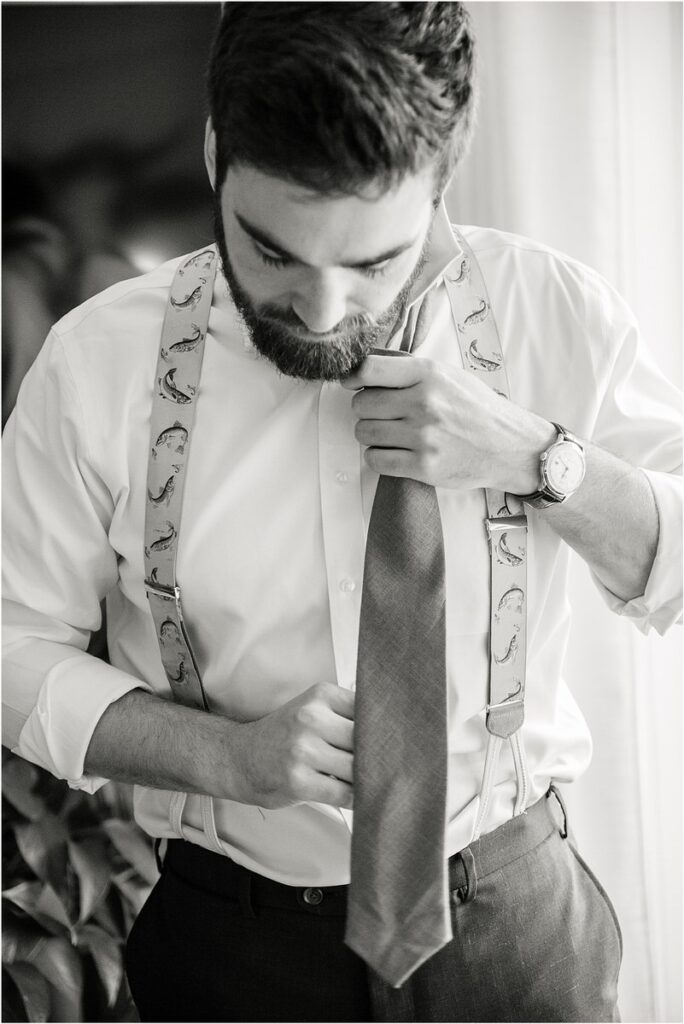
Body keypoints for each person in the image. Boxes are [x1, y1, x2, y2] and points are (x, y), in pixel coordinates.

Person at [2, 3, 681, 1022]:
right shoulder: (100, 364)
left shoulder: (557, 313)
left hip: (521, 928)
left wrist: (542, 457)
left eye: (370, 263)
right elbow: (9, 639)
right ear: (213, 149)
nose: (321, 314)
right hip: (235, 945)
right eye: (272, 253)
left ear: (444, 175)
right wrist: (220, 756)